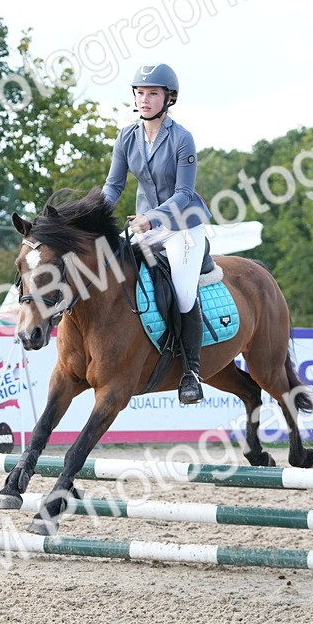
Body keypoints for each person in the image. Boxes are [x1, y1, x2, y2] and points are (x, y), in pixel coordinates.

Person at [102, 63, 211, 405]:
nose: (144, 99)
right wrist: (91, 214)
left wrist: (152, 217)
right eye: (140, 93)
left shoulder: (182, 138)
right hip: (145, 226)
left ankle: (191, 373)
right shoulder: (127, 136)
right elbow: (113, 186)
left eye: (152, 93)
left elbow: (183, 192)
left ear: (168, 98)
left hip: (182, 227)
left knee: (183, 293)